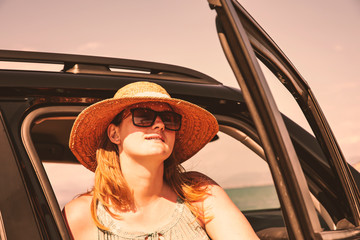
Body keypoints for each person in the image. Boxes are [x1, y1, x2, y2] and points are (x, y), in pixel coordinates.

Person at [63, 81, 259, 240]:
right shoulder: (81, 215)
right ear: (115, 134)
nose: (159, 125)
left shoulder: (200, 195)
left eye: (169, 119)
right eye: (143, 116)